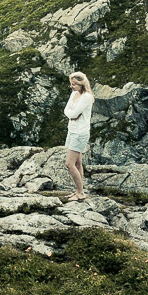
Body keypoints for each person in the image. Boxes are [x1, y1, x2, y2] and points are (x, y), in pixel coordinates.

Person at [62, 72, 94, 201]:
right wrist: (71, 114)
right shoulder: (74, 94)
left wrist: (71, 114)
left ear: (81, 83)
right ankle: (79, 190)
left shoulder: (86, 97)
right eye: (71, 83)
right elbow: (67, 111)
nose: (72, 86)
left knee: (69, 164)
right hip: (72, 130)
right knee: (77, 162)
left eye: (74, 84)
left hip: (80, 132)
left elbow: (73, 113)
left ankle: (80, 193)